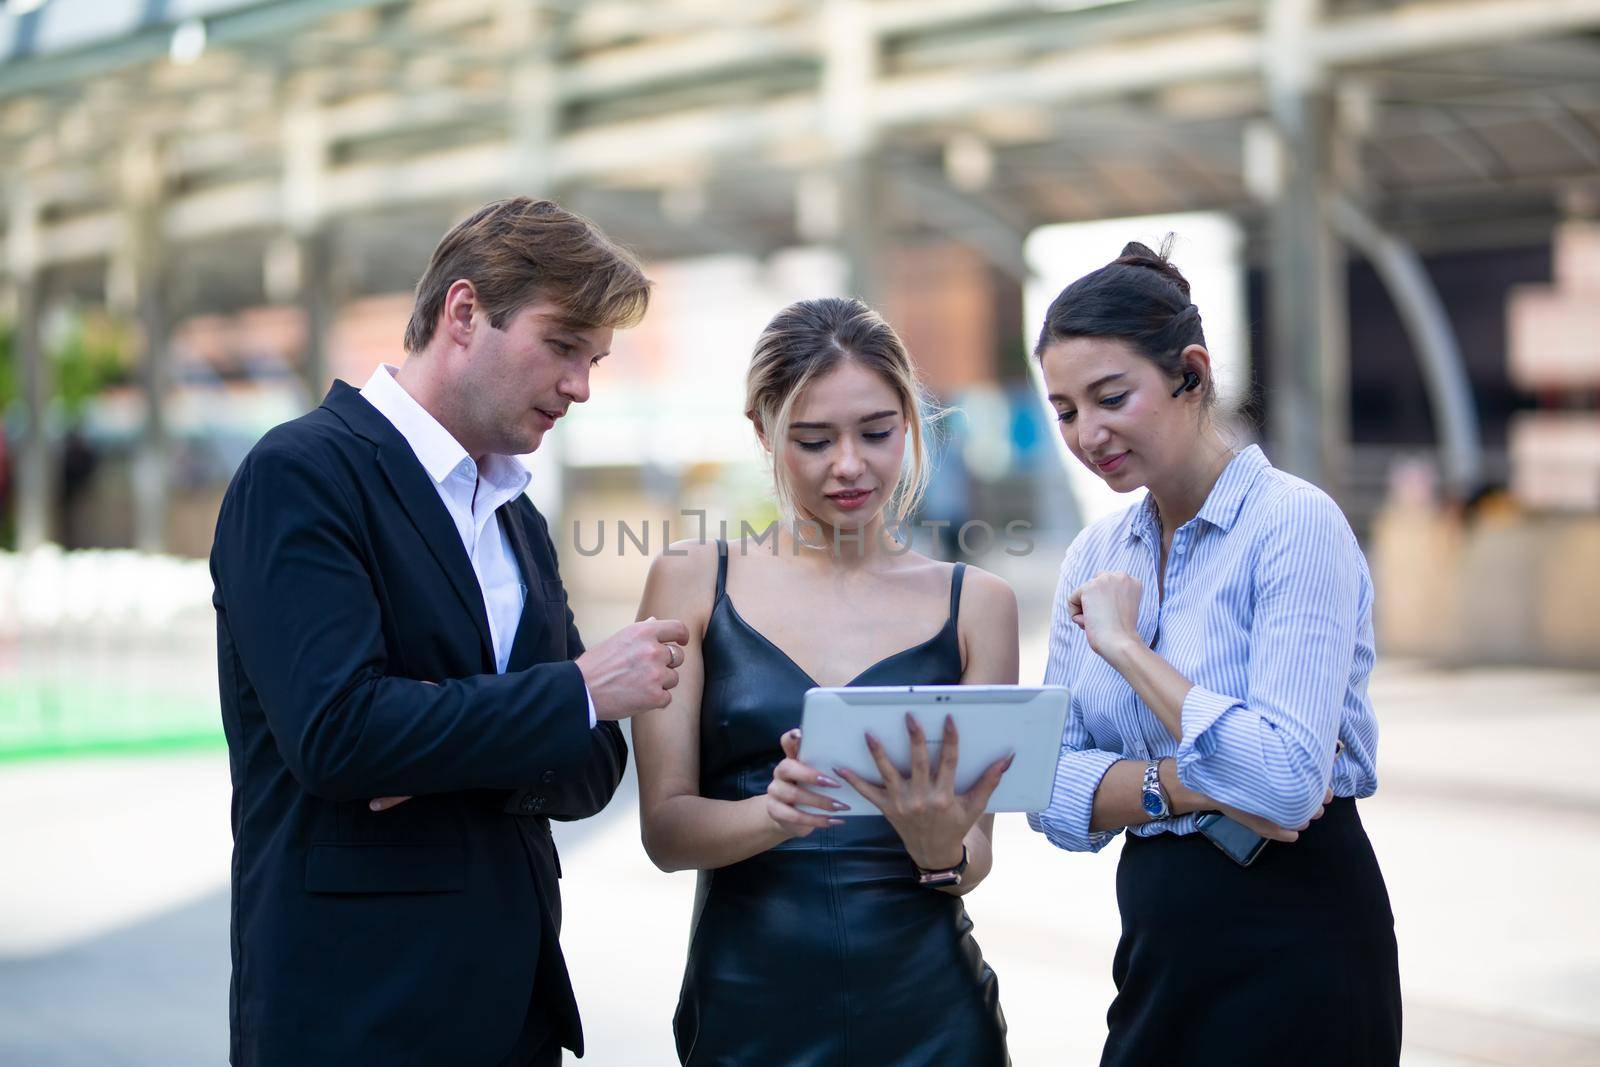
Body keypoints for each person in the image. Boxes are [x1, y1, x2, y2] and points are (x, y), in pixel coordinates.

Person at [210, 197, 689, 1066]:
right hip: (357, 1014)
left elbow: (592, 766)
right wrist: (571, 690)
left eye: (595, 359)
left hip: (515, 1013)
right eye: (563, 345)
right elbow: (341, 736)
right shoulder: (301, 473)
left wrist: (438, 736)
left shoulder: (515, 515)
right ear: (464, 313)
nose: (581, 384)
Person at [1027, 240, 1401, 1066]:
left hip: (1298, 937)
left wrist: (1126, 648)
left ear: (1190, 373)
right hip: (1157, 942)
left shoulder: (1294, 525)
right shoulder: (1093, 556)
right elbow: (1047, 789)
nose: (1088, 433)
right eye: (1064, 410)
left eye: (1110, 396)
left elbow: (1287, 783)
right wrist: (1194, 782)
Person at [633, 297, 1016, 1066]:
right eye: (813, 440)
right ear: (763, 431)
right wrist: (771, 815)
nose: (850, 464)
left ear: (909, 423)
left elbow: (973, 857)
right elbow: (666, 832)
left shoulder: (977, 603)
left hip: (933, 1015)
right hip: (749, 1010)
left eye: (876, 432)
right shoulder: (692, 582)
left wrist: (941, 850)